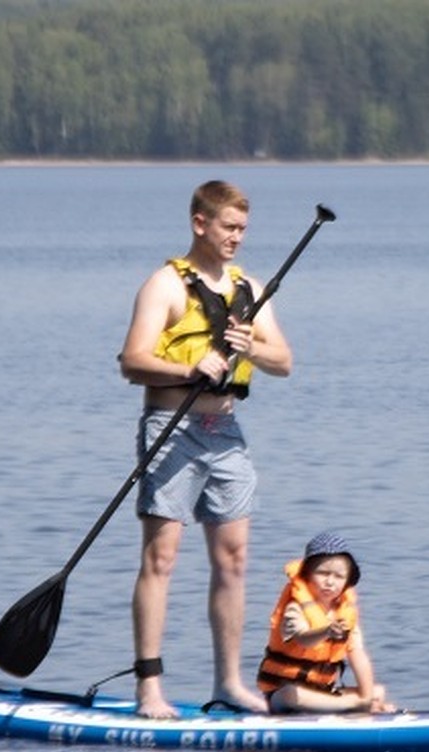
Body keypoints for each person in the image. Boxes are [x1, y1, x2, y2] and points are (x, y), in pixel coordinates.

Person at [117, 180, 293, 718]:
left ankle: (228, 684)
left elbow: (284, 361)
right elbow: (131, 361)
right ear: (200, 223)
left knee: (234, 560)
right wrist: (187, 368)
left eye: (243, 229)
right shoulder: (164, 285)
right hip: (171, 426)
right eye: (228, 228)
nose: (237, 238)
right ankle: (150, 689)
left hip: (227, 436)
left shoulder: (250, 288)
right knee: (161, 558)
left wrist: (253, 347)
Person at [257, 532, 394, 714]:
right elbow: (304, 639)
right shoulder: (295, 608)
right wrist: (326, 631)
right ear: (307, 575)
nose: (330, 582)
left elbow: (358, 655)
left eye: (338, 576)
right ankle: (353, 706)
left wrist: (367, 697)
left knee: (377, 691)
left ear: (347, 582)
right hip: (282, 695)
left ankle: (363, 705)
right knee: (292, 693)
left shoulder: (345, 614)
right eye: (322, 573)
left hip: (322, 692)